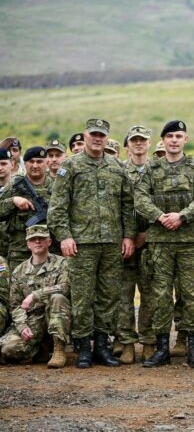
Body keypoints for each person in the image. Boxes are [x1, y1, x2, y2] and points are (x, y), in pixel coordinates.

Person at [48, 118, 136, 369]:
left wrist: (128, 235)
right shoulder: (71, 166)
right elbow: (57, 207)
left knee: (109, 296)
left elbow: (127, 205)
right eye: (93, 134)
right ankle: (84, 347)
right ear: (85, 136)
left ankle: (102, 346)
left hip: (111, 243)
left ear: (107, 138)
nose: (97, 139)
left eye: (102, 135)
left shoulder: (116, 167)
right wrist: (65, 236)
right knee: (82, 296)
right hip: (81, 243)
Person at [134, 120, 194, 369]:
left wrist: (183, 216)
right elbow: (139, 197)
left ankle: (193, 349)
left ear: (185, 140)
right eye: (170, 136)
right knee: (160, 296)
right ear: (163, 140)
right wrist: (159, 216)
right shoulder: (152, 168)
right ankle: (161, 349)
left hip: (190, 242)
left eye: (179, 136)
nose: (174, 140)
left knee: (191, 295)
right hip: (160, 243)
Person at [0, 225, 70, 368]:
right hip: (33, 321)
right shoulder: (19, 271)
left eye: (41, 238)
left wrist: (36, 295)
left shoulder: (62, 263)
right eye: (33, 239)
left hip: (56, 316)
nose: (37, 242)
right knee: (8, 349)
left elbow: (64, 287)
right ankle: (40, 349)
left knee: (57, 298)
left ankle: (58, 350)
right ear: (28, 244)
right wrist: (22, 326)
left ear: (49, 242)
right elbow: (14, 305)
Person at [115, 125, 156, 364]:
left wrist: (147, 234)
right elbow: (115, 207)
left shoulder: (158, 169)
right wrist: (127, 236)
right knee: (124, 295)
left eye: (143, 140)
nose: (138, 144)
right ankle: (127, 343)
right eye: (134, 140)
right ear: (128, 144)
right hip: (124, 243)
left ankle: (149, 342)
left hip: (152, 243)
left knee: (150, 294)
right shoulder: (119, 171)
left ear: (149, 143)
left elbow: (163, 206)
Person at [0, 146, 54, 271]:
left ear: (47, 163)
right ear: (25, 164)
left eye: (39, 161)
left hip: (51, 250)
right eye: (31, 161)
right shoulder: (14, 185)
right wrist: (13, 201)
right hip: (20, 251)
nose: (35, 165)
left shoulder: (56, 186)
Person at [0, 148, 12, 260]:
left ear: (12, 164)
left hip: (16, 249)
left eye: (4, 164)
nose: (0, 168)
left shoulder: (22, 188)